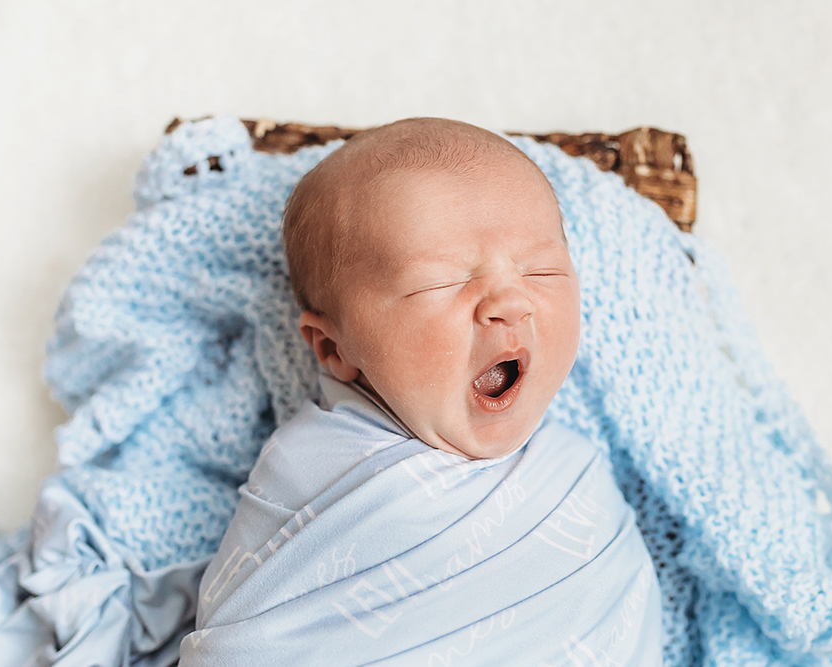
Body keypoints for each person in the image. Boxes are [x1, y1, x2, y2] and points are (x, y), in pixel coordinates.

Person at [179, 118, 663, 666]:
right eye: (443, 282)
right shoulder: (310, 470)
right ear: (334, 349)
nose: (511, 301)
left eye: (542, 271)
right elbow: (242, 643)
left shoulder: (569, 477)